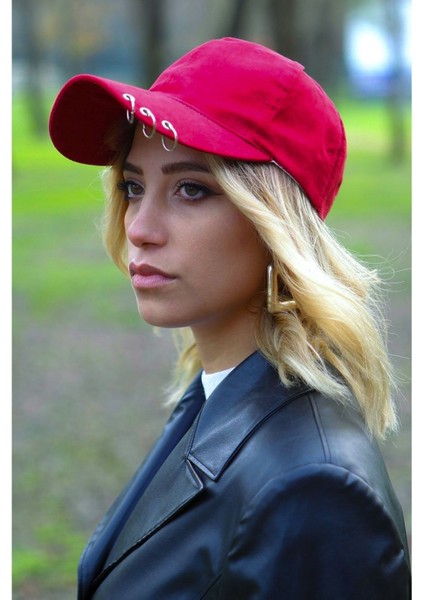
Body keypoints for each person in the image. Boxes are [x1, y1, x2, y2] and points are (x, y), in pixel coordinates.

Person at [49, 37, 410, 599]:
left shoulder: (314, 490)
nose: (140, 228)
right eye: (133, 186)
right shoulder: (215, 392)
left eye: (191, 189)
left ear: (277, 224)